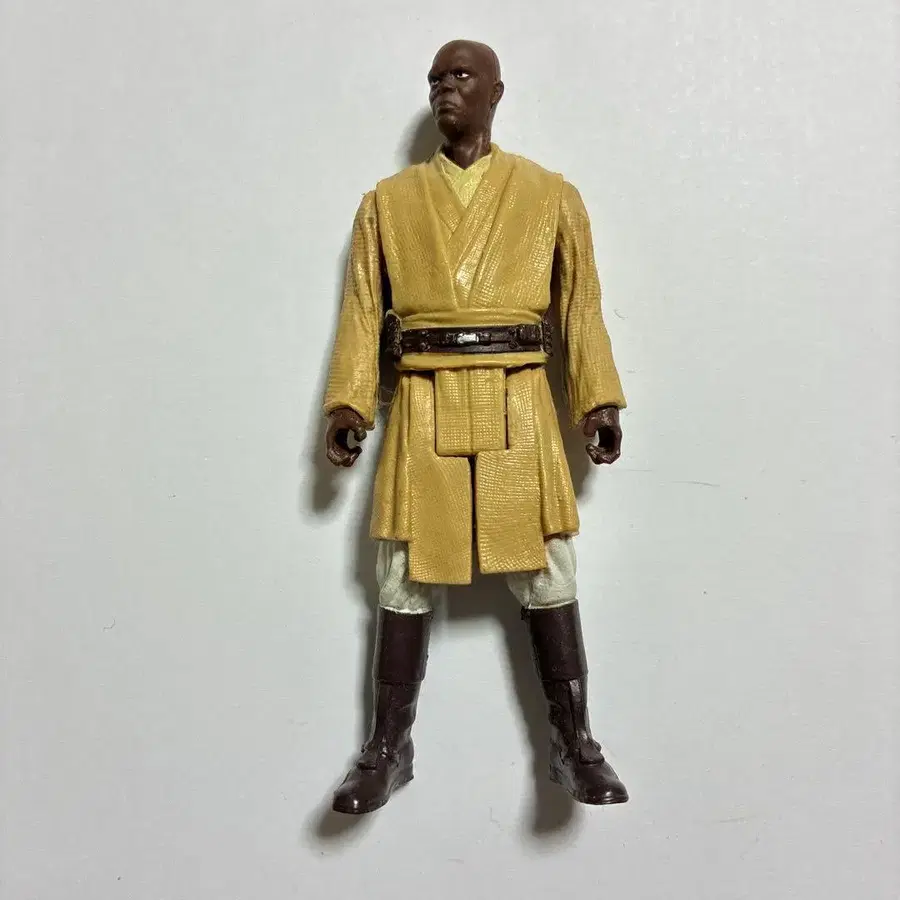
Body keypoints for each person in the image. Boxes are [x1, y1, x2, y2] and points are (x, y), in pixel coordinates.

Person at [322, 39, 629, 814]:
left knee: (548, 566)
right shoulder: (388, 202)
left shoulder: (550, 195)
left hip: (518, 399)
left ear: (496, 91)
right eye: (435, 79)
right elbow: (363, 310)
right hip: (423, 397)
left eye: (460, 76)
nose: (444, 89)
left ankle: (574, 739)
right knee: (402, 570)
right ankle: (388, 745)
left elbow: (580, 306)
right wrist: (350, 404)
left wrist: (596, 401)